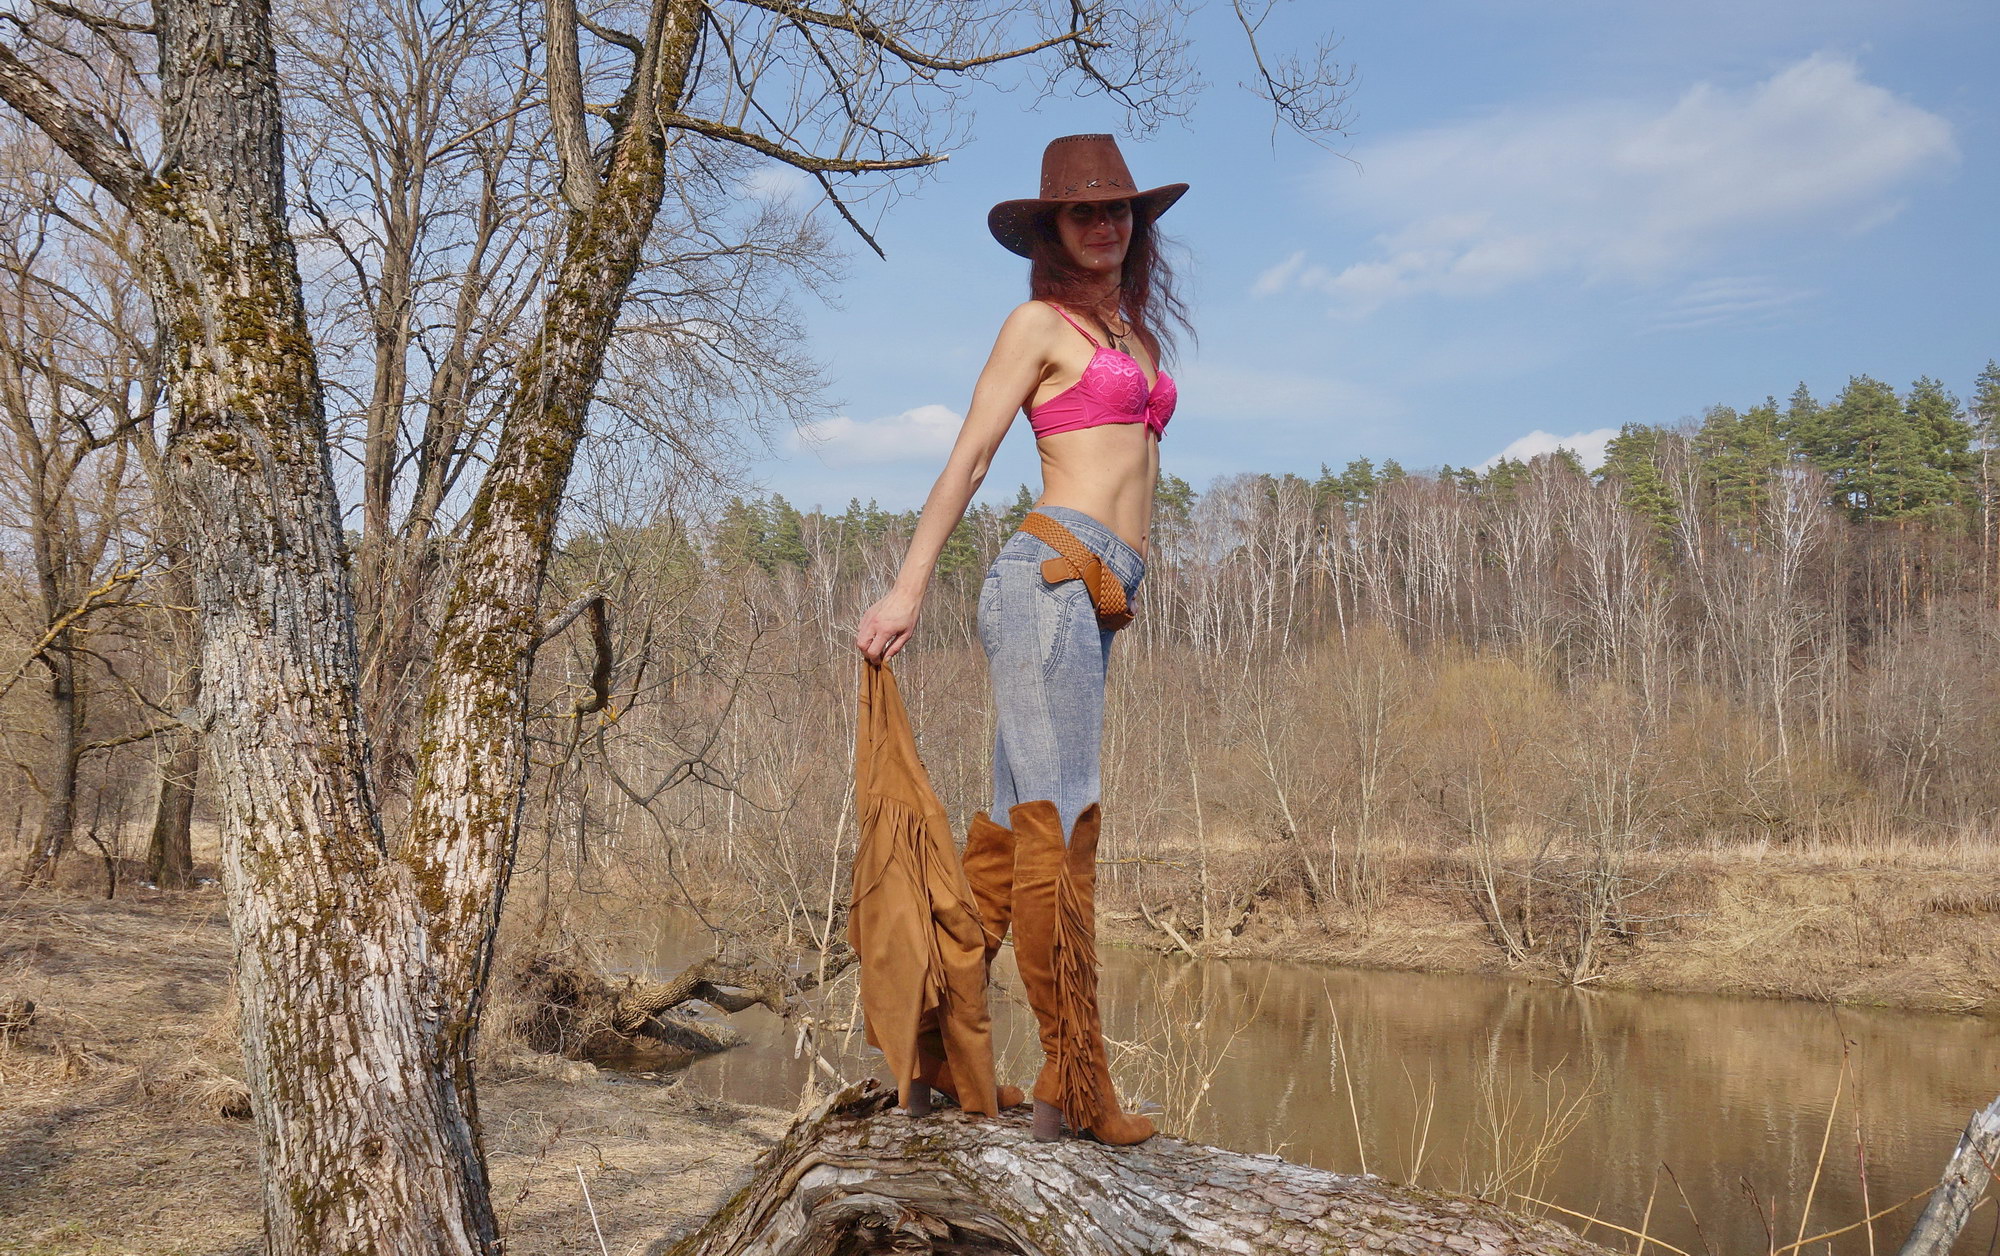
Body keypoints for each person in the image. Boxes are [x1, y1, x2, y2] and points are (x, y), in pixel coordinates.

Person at [854, 133, 1187, 1145]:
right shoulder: (1037, 323)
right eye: (1083, 211)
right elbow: (968, 458)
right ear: (1051, 229)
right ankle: (1071, 1078)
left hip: (1094, 596)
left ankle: (936, 1061)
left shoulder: (1133, 335)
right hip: (1046, 581)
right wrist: (906, 589)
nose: (1104, 224)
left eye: (1118, 209)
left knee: (1008, 836)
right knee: (1062, 824)